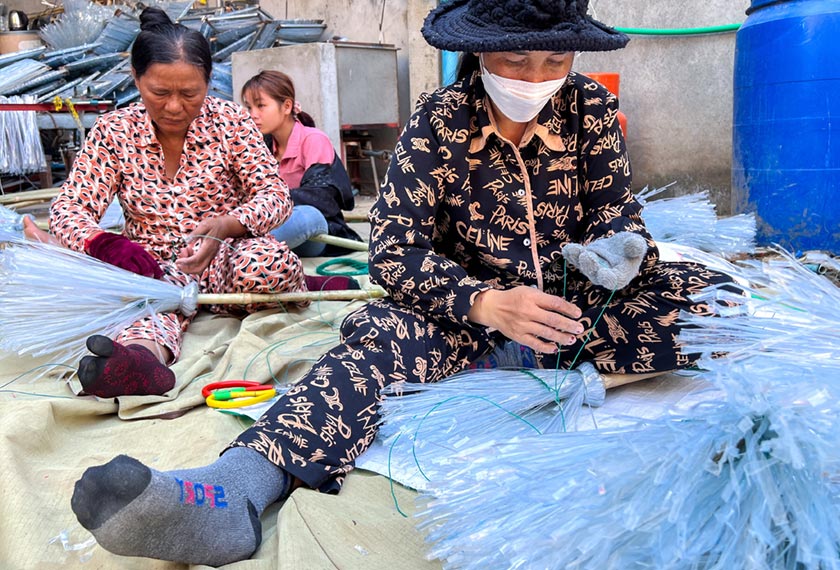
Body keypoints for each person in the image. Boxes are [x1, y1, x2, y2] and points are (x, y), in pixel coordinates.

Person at [69, 0, 734, 566]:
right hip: (459, 315)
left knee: (711, 301)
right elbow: (392, 253)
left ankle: (529, 359)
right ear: (479, 55)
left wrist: (621, 250)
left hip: (576, 305)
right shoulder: (440, 121)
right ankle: (236, 487)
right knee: (378, 340)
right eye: (516, 64)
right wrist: (484, 302)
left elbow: (619, 211)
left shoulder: (590, 109)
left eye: (554, 64)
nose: (537, 81)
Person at [30, 7, 350, 399]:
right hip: (150, 267)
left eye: (190, 93)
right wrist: (108, 245)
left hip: (226, 254)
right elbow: (69, 210)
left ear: (208, 82)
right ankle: (138, 364)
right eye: (159, 93)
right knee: (146, 309)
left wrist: (226, 226)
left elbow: (274, 196)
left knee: (269, 263)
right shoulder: (114, 131)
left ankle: (301, 283)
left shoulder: (231, 121)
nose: (175, 107)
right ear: (136, 78)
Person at [241, 70, 363, 257]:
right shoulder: (259, 146)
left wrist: (268, 202)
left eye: (261, 106)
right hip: (271, 228)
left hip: (315, 234)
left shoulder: (313, 139)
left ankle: (243, 251)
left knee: (308, 215)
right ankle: (245, 250)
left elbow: (324, 199)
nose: (253, 114)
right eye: (249, 108)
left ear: (287, 106)